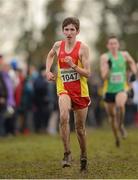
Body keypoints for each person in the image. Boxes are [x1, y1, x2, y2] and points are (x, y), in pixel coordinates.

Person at [46, 17, 91, 171]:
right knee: (64, 116)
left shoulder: (83, 48)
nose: (69, 32)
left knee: (79, 128)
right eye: (66, 29)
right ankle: (67, 153)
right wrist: (47, 71)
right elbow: (50, 55)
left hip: (80, 91)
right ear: (63, 31)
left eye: (72, 29)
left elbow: (88, 73)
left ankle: (84, 155)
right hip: (63, 88)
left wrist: (73, 66)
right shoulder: (58, 46)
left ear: (77, 31)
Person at [100, 35, 137, 147]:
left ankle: (121, 126)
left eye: (115, 43)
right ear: (108, 46)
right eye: (111, 44)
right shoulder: (105, 57)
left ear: (118, 45)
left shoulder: (124, 55)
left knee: (121, 104)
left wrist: (134, 73)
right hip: (109, 90)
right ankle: (116, 137)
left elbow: (132, 63)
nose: (113, 46)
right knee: (111, 117)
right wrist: (109, 68)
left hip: (122, 88)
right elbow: (104, 76)